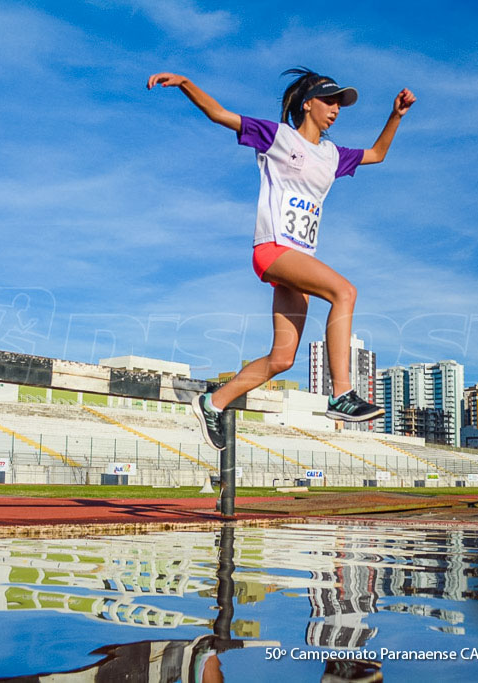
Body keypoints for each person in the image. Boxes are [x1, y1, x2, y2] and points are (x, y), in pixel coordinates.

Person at [148, 68, 416, 450]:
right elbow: (220, 115)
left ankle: (213, 402)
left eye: (340, 103)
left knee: (282, 358)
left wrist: (396, 116)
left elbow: (377, 154)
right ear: (308, 104)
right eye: (330, 100)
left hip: (299, 260)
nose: (336, 109)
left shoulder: (332, 155)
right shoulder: (278, 136)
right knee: (345, 292)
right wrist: (187, 84)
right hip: (274, 249)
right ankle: (341, 394)